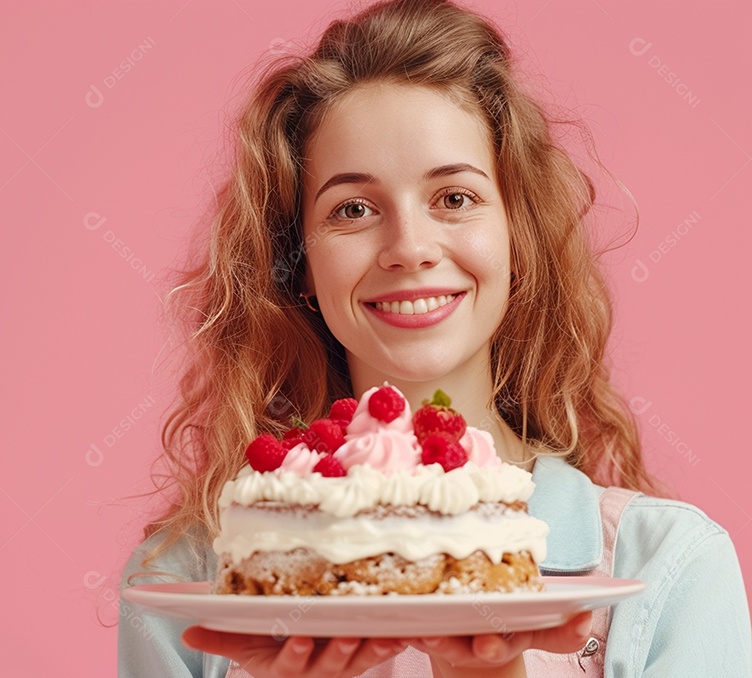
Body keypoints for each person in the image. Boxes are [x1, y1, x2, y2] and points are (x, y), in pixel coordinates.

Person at [118, 0, 752, 675]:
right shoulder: (188, 584)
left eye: (454, 198)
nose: (410, 248)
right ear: (298, 262)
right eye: (353, 209)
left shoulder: (669, 569)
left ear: (518, 237)